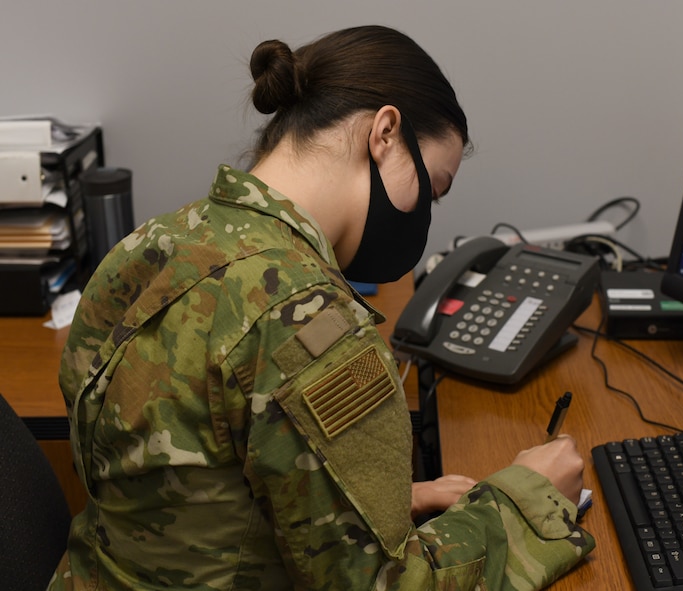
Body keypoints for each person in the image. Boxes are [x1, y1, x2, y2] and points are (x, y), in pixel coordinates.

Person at [49, 25, 595, 590]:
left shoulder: (149, 247)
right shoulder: (311, 323)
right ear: (384, 133)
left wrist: (375, 501)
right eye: (431, 188)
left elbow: (184, 487)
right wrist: (528, 497)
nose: (424, 215)